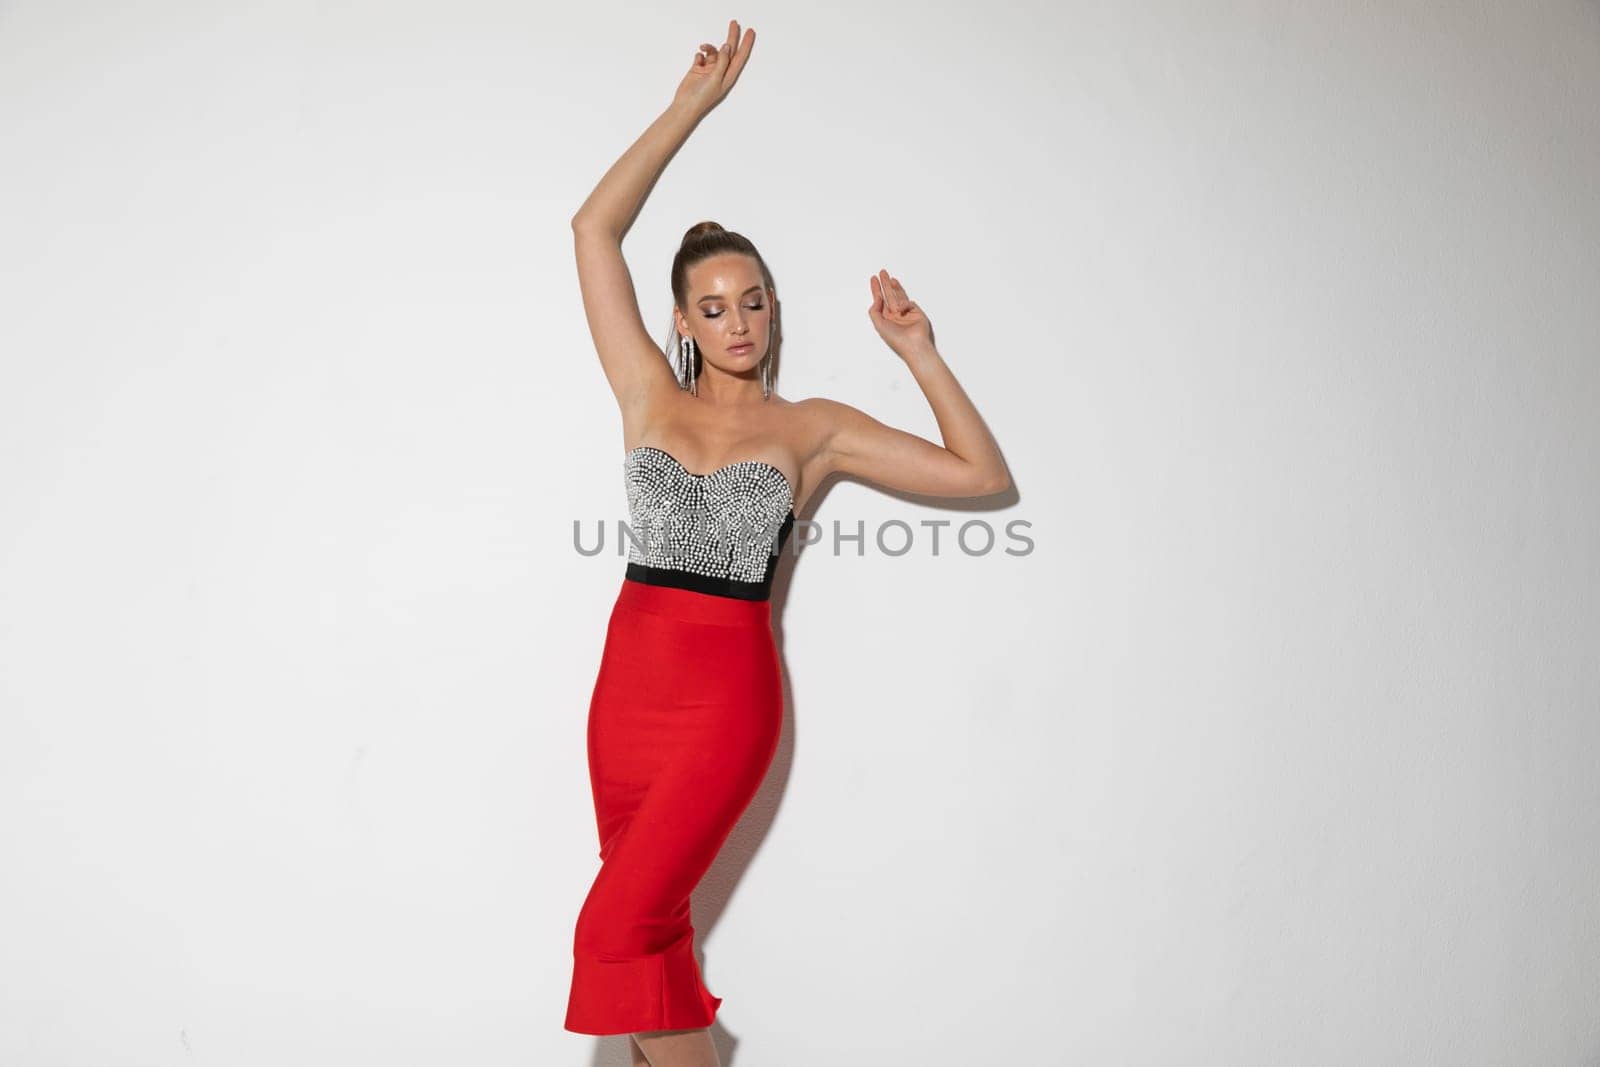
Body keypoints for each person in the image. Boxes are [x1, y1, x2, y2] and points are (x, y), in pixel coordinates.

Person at [564, 20, 1011, 1067]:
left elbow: (981, 476)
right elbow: (592, 229)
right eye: (713, 306)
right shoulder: (646, 395)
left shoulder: (810, 428)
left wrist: (918, 351)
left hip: (727, 696)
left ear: (773, 310)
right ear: (680, 318)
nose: (737, 321)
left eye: (752, 301)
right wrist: (690, 108)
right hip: (625, 687)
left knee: (614, 931)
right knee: (649, 939)